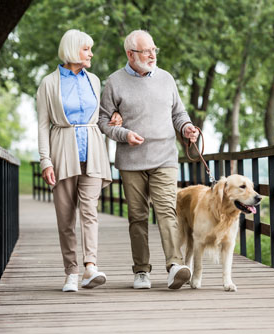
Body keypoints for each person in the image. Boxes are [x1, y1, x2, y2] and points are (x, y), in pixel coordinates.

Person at [98, 30, 199, 290]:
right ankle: (141, 270)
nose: (152, 55)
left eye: (154, 50)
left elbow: (178, 113)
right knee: (137, 216)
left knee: (167, 211)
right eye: (146, 51)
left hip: (164, 156)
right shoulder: (114, 82)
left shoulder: (166, 79)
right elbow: (102, 121)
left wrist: (187, 127)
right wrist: (123, 134)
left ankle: (174, 265)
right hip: (131, 161)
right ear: (130, 54)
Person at [37, 29, 119, 292]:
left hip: (93, 150)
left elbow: (102, 114)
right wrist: (45, 160)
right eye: (87, 49)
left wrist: (115, 116)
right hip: (62, 151)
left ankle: (90, 266)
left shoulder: (94, 80)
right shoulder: (49, 84)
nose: (91, 54)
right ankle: (71, 272)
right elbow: (42, 126)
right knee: (65, 217)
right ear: (73, 50)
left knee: (89, 212)